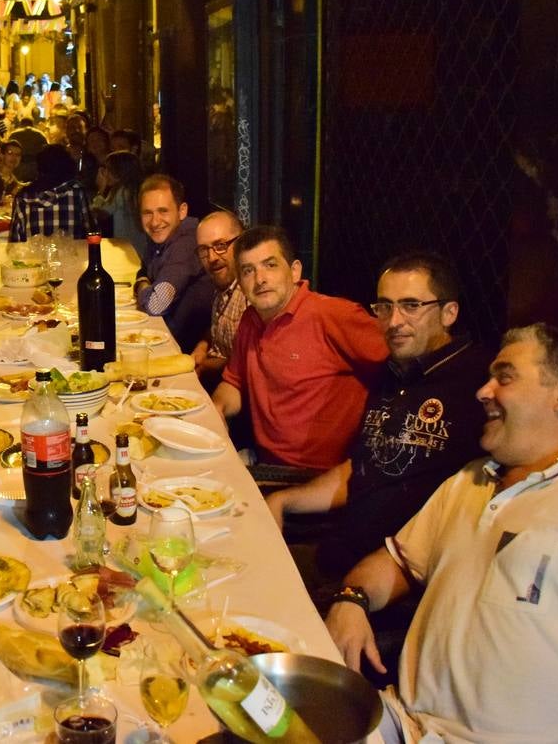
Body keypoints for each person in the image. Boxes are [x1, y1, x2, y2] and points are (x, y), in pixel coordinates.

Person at [326, 324, 558, 743]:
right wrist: (351, 599)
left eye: (504, 377)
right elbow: (396, 563)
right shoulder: (470, 481)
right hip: (403, 724)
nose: (483, 391)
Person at [264, 252, 487, 580]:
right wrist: (283, 501)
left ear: (449, 311)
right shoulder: (395, 370)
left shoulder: (480, 384)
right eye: (385, 306)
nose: (394, 321)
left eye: (411, 306)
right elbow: (362, 466)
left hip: (388, 583)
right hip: (337, 551)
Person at [212, 225, 387, 469]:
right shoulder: (250, 320)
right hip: (264, 463)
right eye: (248, 271)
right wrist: (217, 408)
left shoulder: (332, 315)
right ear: (240, 283)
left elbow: (402, 360)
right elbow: (234, 382)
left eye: (270, 265)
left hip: (316, 477)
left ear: (294, 271)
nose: (260, 279)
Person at [133, 175, 216, 351]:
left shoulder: (186, 243)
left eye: (163, 211)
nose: (155, 222)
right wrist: (144, 281)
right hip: (168, 339)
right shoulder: (163, 237)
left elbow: (155, 306)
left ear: (182, 211)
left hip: (185, 351)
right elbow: (144, 270)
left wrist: (141, 285)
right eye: (147, 213)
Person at [189, 210, 248, 386]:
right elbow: (220, 327)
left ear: (242, 242)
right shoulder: (222, 283)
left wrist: (206, 365)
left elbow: (246, 364)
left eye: (221, 245)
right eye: (204, 250)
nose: (212, 257)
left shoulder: (251, 294)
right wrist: (203, 345)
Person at [9, 144, 93, 242]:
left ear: (40, 167)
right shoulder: (78, 191)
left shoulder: (24, 197)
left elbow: (15, 242)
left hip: (34, 257)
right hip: (72, 256)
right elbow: (91, 230)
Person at [90, 150, 146, 259]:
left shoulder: (121, 191)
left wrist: (101, 189)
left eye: (108, 170)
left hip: (126, 247)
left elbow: (101, 212)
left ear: (120, 172)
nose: (105, 174)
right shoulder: (137, 189)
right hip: (140, 246)